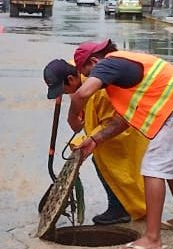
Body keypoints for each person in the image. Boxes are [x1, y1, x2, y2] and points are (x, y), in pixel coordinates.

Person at [68, 39, 173, 249]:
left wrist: (73, 118)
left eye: (87, 72)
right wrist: (95, 140)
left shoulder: (109, 64)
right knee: (171, 167)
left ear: (94, 61)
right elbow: (123, 120)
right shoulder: (122, 74)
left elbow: (80, 94)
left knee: (153, 168)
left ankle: (152, 239)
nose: (89, 78)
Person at [43, 58, 147, 224]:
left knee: (108, 167)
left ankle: (120, 208)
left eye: (64, 90)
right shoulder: (76, 74)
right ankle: (120, 205)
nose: (65, 94)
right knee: (100, 161)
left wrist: (90, 139)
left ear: (71, 79)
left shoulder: (100, 93)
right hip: (106, 126)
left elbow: (111, 123)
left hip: (123, 131)